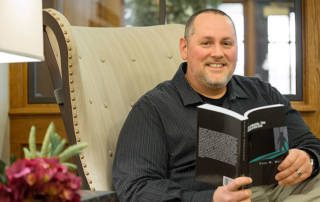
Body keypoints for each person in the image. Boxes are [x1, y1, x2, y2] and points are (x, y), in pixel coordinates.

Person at [112, 8, 320, 202]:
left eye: (227, 43)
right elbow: (134, 186)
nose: (218, 53)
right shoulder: (153, 108)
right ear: (184, 48)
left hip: (283, 191)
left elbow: (311, 144)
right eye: (206, 43)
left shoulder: (263, 92)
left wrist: (308, 159)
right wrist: (209, 199)